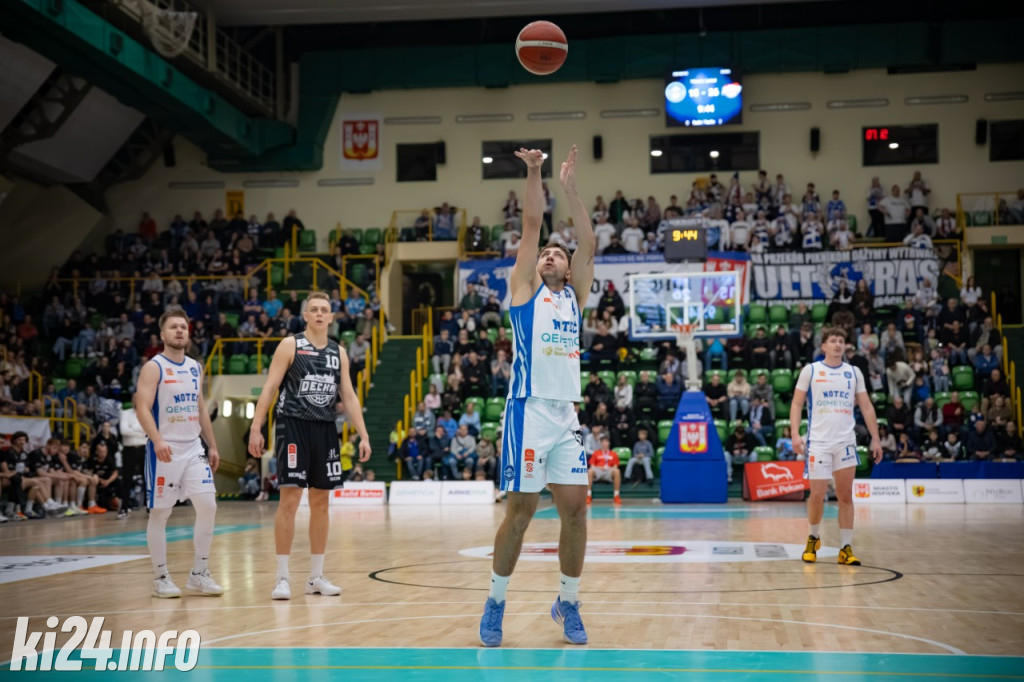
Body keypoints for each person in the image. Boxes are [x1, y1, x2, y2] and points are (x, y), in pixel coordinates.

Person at [479, 145, 595, 648]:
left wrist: (571, 189)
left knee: (576, 512)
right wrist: (534, 172)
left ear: (567, 270)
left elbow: (588, 244)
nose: (549, 254)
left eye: (557, 254)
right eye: (546, 253)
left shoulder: (575, 296)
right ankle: (496, 601)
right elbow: (530, 226)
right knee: (521, 514)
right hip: (526, 412)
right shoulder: (526, 291)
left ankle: (568, 602)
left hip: (565, 416)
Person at [248, 292, 372, 601]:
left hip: (325, 429)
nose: (318, 313)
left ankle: (315, 577)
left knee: (321, 503)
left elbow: (349, 395)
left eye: (324, 310)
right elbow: (270, 387)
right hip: (293, 426)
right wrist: (255, 428)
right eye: (313, 309)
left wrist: (364, 435)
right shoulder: (290, 345)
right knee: (289, 501)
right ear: (305, 315)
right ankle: (282, 577)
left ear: (331, 317)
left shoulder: (339, 352)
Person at [133, 306, 223, 598]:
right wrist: (157, 439)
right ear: (162, 334)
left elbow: (200, 408)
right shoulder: (154, 367)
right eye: (173, 327)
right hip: (165, 449)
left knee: (208, 506)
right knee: (160, 513)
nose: (179, 331)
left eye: (183, 327)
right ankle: (160, 577)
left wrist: (212, 444)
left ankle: (199, 573)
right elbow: (141, 407)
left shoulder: (195, 366)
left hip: (193, 447)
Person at [791, 327, 883, 566]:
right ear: (824, 346)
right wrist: (795, 434)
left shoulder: (853, 372)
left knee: (845, 496)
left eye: (841, 341)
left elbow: (867, 406)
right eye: (833, 341)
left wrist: (875, 438)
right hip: (818, 443)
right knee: (817, 495)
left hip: (845, 442)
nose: (838, 344)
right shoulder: (811, 370)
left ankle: (845, 548)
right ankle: (813, 538)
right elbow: (797, 404)